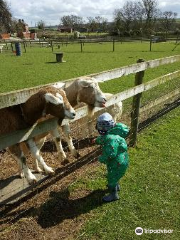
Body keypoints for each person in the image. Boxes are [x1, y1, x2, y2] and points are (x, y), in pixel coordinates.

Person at [93, 112, 129, 202]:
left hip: (116, 162)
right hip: (123, 159)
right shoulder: (116, 132)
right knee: (116, 175)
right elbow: (102, 139)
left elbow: (111, 154)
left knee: (111, 178)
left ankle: (114, 194)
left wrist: (102, 158)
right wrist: (96, 140)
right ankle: (116, 185)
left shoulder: (110, 139)